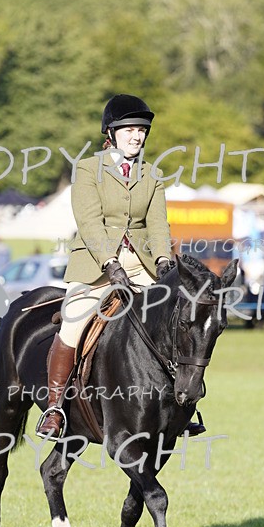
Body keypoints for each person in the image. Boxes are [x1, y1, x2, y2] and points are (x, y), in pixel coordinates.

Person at [36, 94, 172, 439]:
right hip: (96, 264)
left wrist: (164, 261)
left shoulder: (152, 175)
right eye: (129, 129)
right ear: (110, 132)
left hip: (142, 266)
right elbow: (89, 222)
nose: (137, 136)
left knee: (173, 322)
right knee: (73, 322)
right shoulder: (86, 169)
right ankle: (53, 409)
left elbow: (157, 226)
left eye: (142, 130)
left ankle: (183, 406)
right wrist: (110, 263)